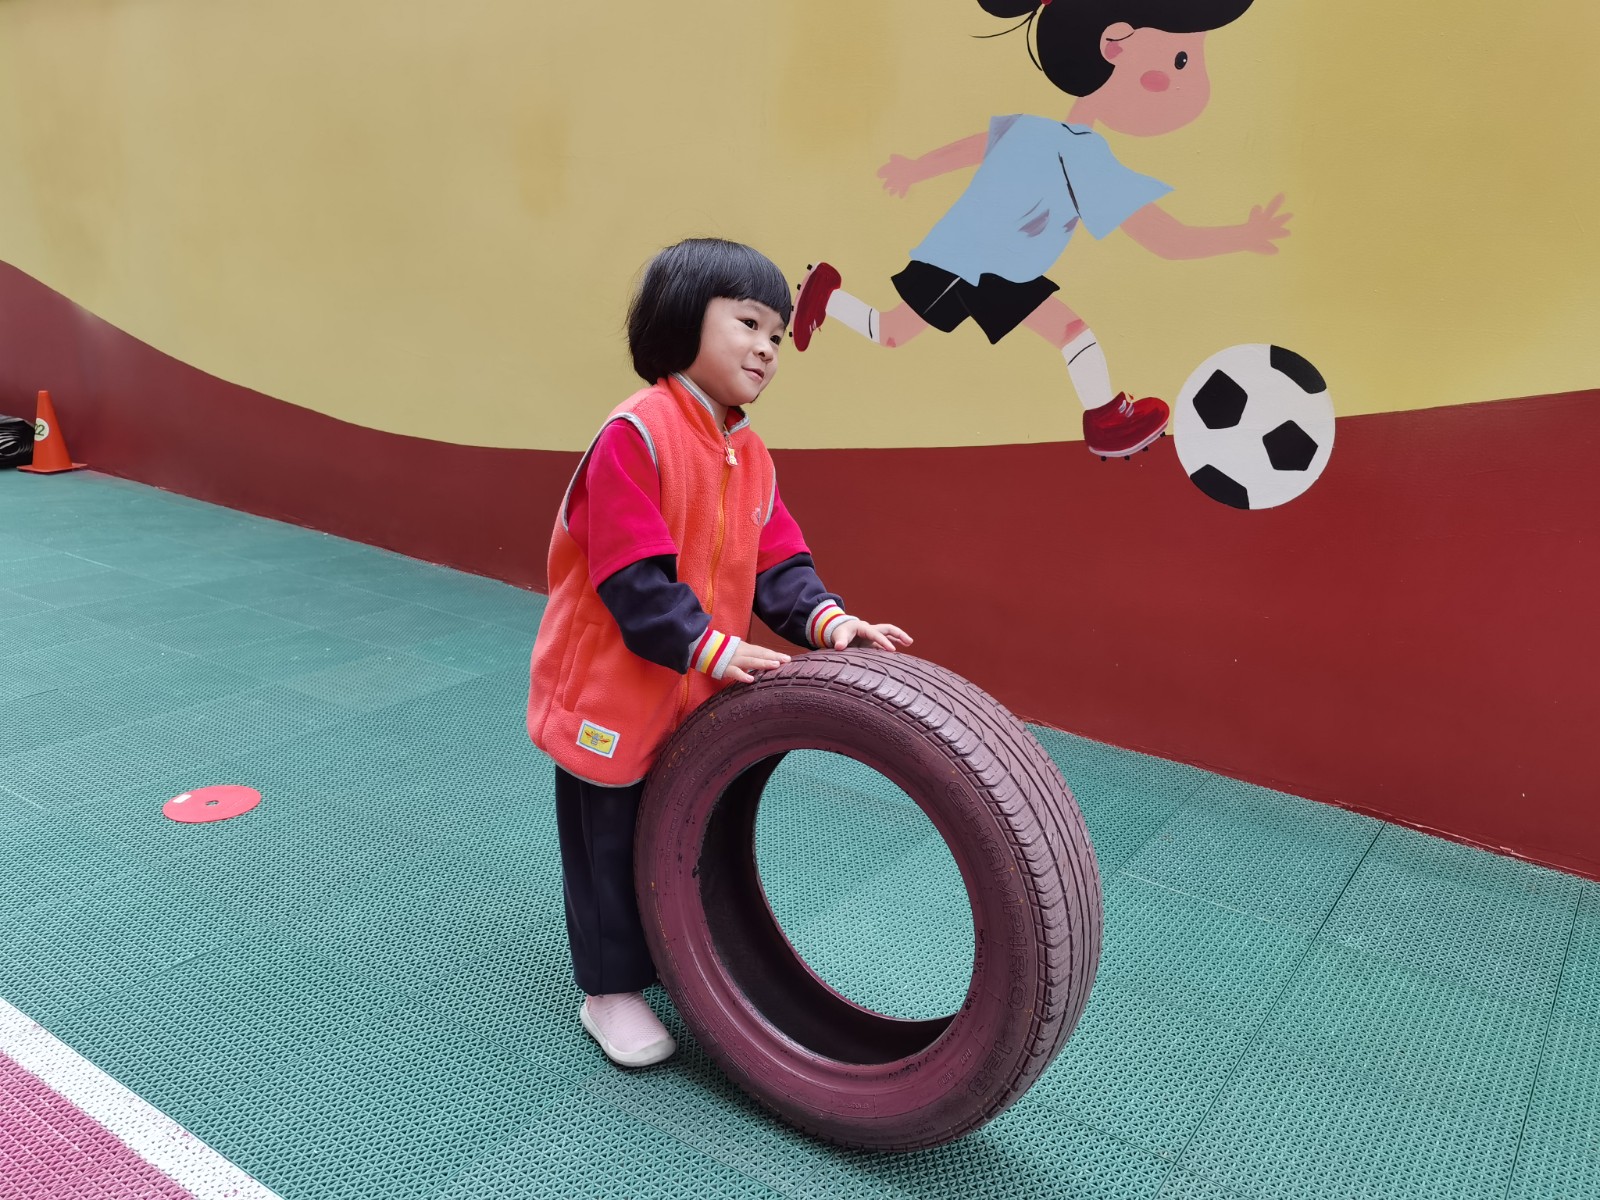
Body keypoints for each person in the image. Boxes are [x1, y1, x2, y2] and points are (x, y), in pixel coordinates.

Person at [526, 237, 913, 1068]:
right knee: (606, 839)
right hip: (614, 691)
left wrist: (830, 622)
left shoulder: (750, 453)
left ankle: (672, 954)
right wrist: (703, 644)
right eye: (747, 323)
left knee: (678, 825)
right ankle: (609, 990)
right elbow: (631, 577)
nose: (767, 348)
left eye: (777, 334)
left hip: (697, 685)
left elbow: (778, 562)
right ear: (682, 319)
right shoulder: (636, 434)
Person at [793, 0, 1290, 459]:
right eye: (1180, 61)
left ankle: (1105, 419)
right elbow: (1165, 239)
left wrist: (917, 168)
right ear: (1115, 46)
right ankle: (825, 293)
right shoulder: (1083, 155)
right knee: (894, 333)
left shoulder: (1039, 130)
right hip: (970, 263)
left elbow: (977, 145)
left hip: (1003, 268)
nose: (1189, 85)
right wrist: (1241, 236)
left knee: (1061, 333)